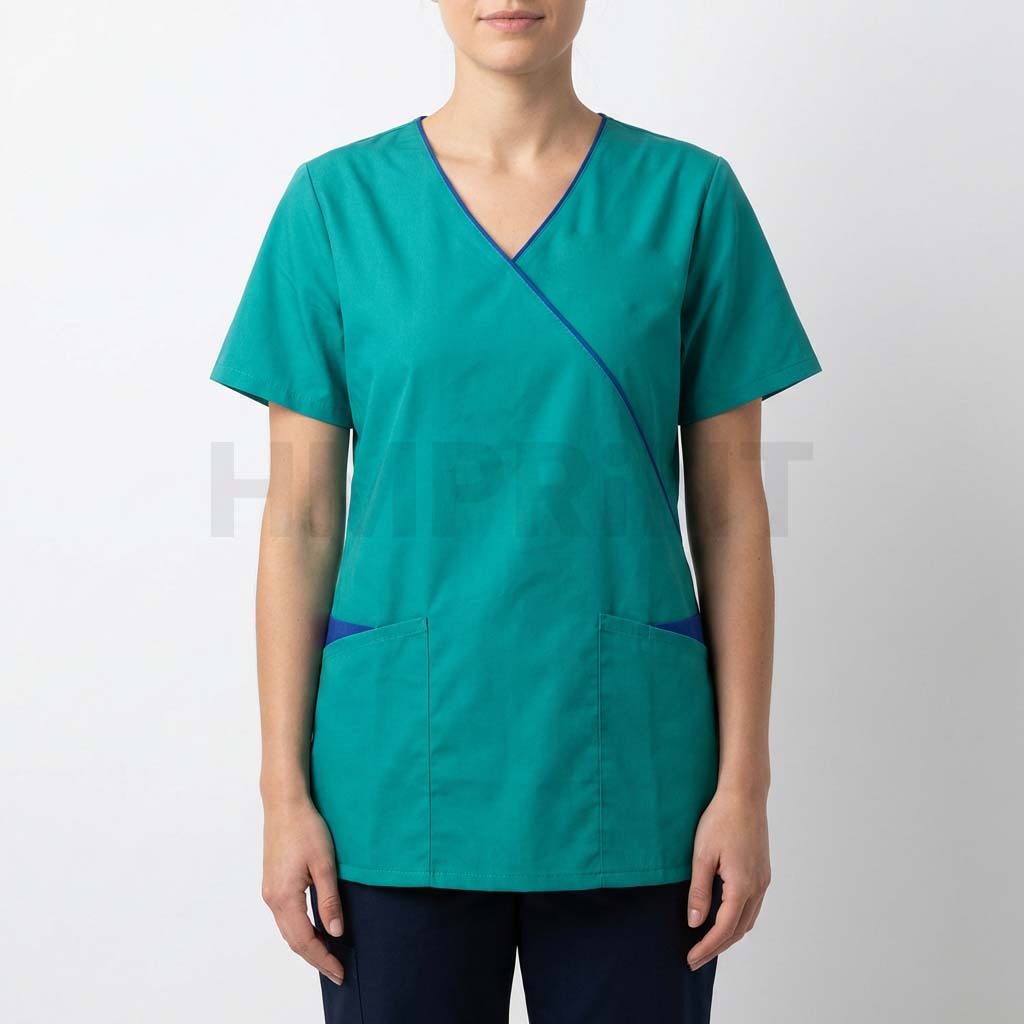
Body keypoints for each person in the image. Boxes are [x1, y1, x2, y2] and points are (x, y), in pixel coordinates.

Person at [210, 2, 821, 1021]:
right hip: (394, 780)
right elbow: (300, 520)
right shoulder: (336, 206)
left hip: (635, 779)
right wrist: (283, 794)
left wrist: (743, 787)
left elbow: (730, 514)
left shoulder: (688, 200)